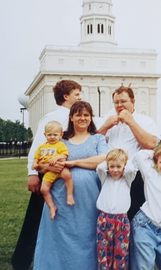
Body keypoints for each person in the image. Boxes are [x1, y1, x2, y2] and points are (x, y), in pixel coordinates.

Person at [12, 80, 82, 270]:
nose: (80, 97)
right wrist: (32, 173)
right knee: (35, 217)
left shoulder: (77, 116)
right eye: (77, 94)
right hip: (46, 174)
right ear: (66, 96)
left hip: (66, 173)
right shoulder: (53, 118)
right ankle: (21, 261)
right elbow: (37, 147)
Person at [33, 101, 108, 270]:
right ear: (71, 117)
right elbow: (44, 163)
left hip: (89, 198)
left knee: (86, 234)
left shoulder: (98, 139)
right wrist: (47, 166)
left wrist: (72, 163)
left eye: (86, 115)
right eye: (78, 114)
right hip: (61, 196)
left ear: (91, 118)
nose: (82, 118)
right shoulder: (62, 140)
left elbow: (103, 158)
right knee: (59, 233)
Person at [97, 86, 160, 221]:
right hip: (109, 174)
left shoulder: (145, 120)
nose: (119, 105)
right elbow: (93, 142)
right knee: (107, 213)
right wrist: (105, 127)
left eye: (123, 101)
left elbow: (150, 143)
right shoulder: (107, 119)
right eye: (116, 102)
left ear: (133, 102)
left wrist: (131, 122)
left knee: (132, 215)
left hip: (133, 175)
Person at [96, 148, 137, 270]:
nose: (115, 170)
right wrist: (109, 159)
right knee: (103, 251)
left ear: (124, 167)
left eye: (118, 167)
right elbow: (100, 167)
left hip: (121, 220)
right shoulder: (105, 178)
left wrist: (126, 159)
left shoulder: (127, 179)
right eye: (112, 166)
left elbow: (131, 169)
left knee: (121, 252)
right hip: (104, 219)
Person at [31, 121, 72, 220]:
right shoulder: (42, 147)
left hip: (60, 168)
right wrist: (34, 163)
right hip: (49, 172)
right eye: (49, 135)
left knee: (68, 175)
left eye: (55, 134)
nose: (52, 137)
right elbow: (36, 157)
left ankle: (69, 195)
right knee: (43, 189)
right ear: (45, 135)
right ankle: (52, 207)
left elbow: (65, 154)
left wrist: (57, 157)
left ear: (61, 135)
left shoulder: (60, 145)